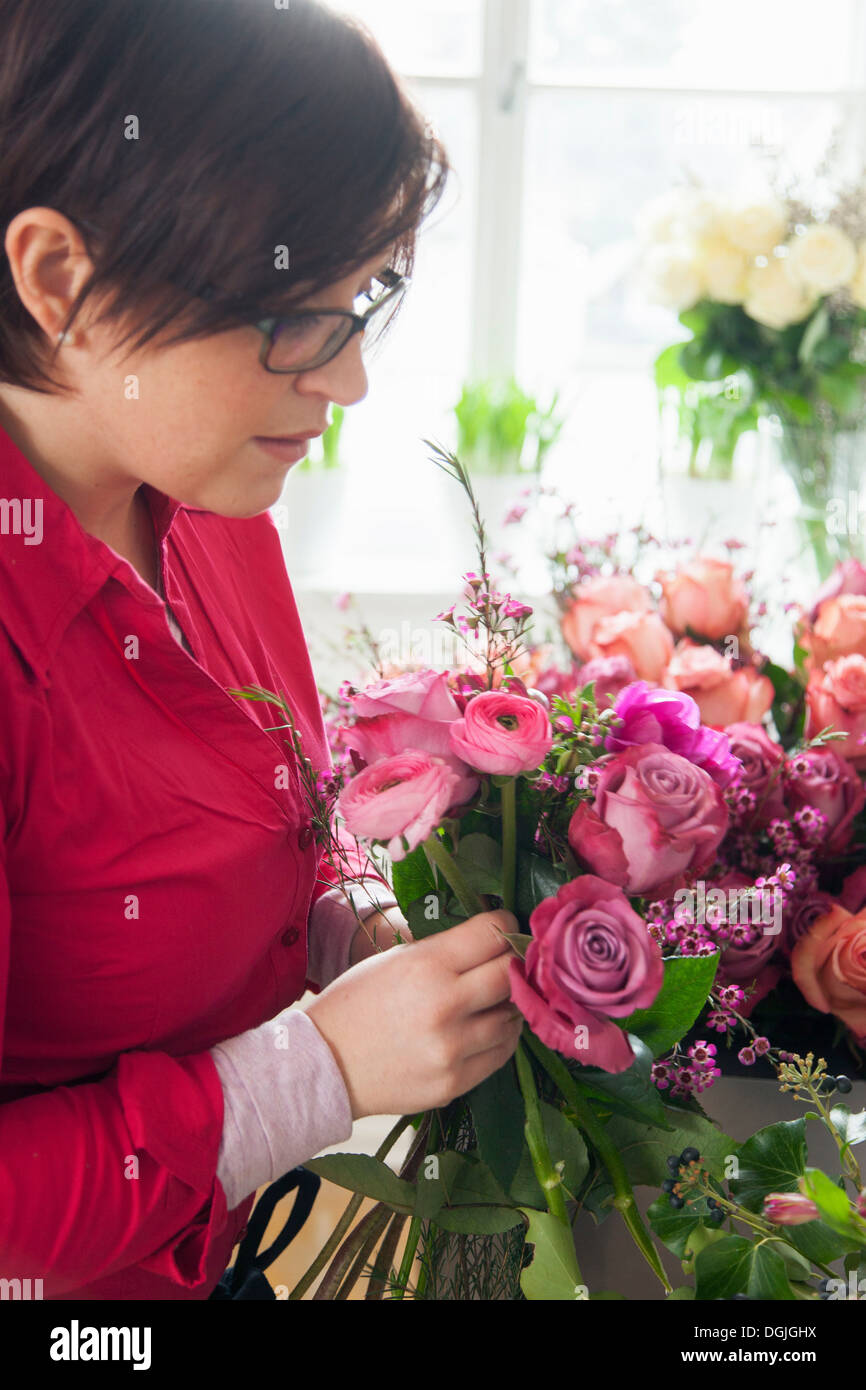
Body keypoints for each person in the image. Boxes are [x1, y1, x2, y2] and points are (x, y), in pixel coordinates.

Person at [0, 0, 523, 1300]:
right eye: (295, 313)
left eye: (361, 300)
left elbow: (263, 799)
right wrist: (310, 1078)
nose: (344, 382)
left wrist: (338, 917)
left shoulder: (209, 492)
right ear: (58, 277)